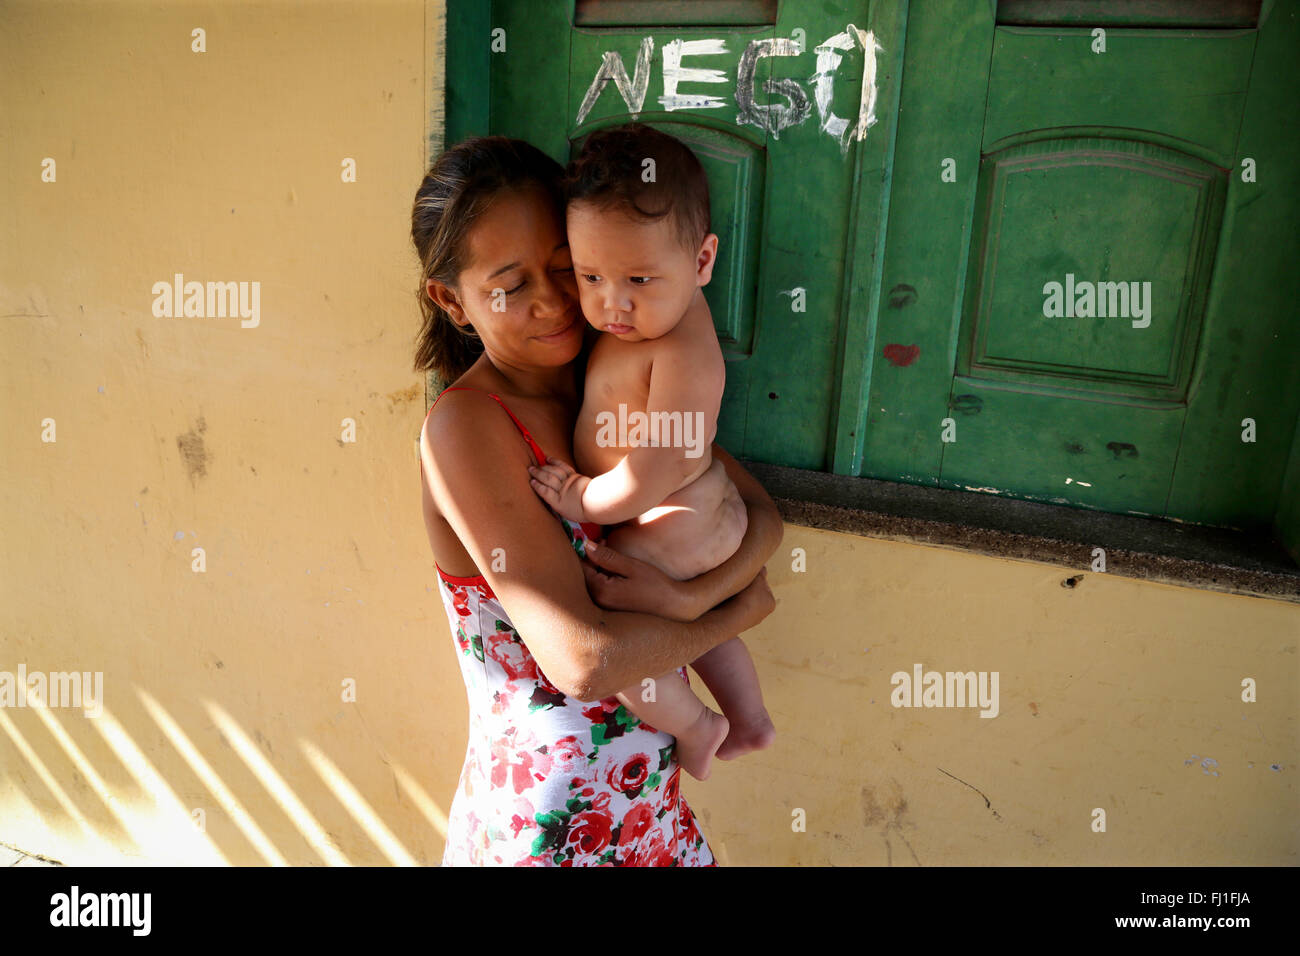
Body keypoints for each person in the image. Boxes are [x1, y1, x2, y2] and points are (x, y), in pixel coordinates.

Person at [411, 136, 781, 866]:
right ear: (453, 300)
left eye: (562, 272)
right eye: (511, 287)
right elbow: (584, 662)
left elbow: (761, 517)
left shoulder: (610, 378)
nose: (554, 302)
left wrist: (690, 602)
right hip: (552, 822)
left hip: (645, 800)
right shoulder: (468, 427)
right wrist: (733, 609)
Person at [529, 124, 775, 782]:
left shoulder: (684, 350)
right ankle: (749, 719)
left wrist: (581, 496)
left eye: (639, 277)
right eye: (590, 276)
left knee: (628, 640)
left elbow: (656, 466)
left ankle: (699, 726)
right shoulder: (646, 322)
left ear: (701, 262)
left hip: (677, 515)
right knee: (711, 632)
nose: (613, 301)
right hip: (688, 516)